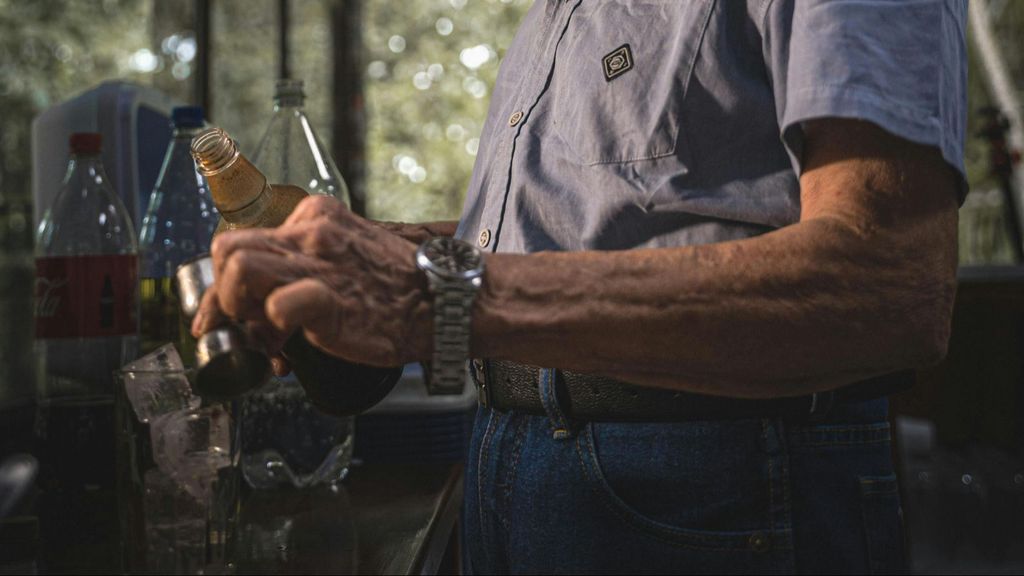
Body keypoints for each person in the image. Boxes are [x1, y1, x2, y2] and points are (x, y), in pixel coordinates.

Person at [193, 0, 967, 572]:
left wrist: (431, 293)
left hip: (712, 490)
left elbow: (889, 284)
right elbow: (594, 234)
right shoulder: (555, 17)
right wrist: (382, 258)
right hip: (516, 465)